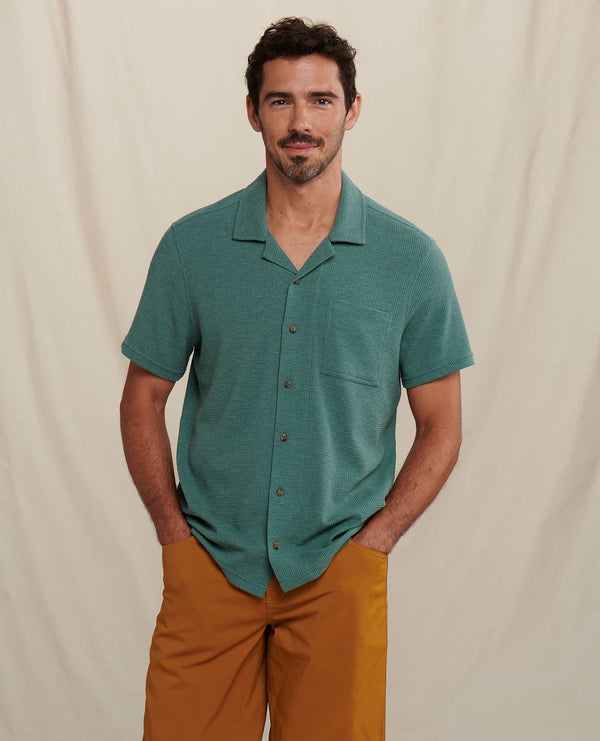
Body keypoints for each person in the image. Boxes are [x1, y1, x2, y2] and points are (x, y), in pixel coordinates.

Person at [119, 16, 474, 741]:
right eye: (280, 100)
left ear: (352, 109)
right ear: (253, 112)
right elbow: (143, 398)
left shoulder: (411, 260)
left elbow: (442, 425)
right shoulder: (191, 247)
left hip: (339, 572)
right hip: (209, 565)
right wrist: (172, 533)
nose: (301, 121)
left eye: (320, 100)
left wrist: (377, 541)